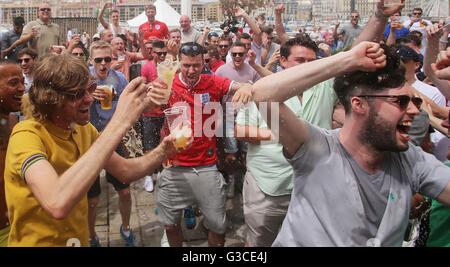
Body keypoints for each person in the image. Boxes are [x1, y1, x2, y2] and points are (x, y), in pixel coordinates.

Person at [248, 39, 450, 246]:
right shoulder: (318, 149)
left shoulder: (411, 160)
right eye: (401, 102)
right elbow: (262, 94)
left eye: (415, 102)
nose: (415, 111)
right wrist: (348, 60)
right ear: (359, 104)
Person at [3, 53, 178, 247]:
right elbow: (57, 202)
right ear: (51, 98)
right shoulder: (26, 135)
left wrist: (164, 150)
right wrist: (121, 120)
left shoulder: (84, 130)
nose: (89, 99)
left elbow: (125, 171)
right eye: (77, 94)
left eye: (90, 89)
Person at [237, 35, 337, 247]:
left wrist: (380, 17)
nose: (307, 67)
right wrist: (283, 134)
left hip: (314, 185)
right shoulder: (260, 90)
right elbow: (238, 129)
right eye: (300, 61)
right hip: (269, 186)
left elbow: (356, 53)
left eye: (312, 61)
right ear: (282, 61)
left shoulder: (326, 87)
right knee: (259, 242)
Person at [154, 42, 252, 247]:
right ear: (180, 63)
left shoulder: (212, 82)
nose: (191, 70)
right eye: (186, 65)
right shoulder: (168, 82)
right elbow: (149, 103)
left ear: (203, 63)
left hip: (206, 167)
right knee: (170, 225)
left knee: (217, 226)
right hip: (174, 165)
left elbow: (237, 86)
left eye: (196, 65)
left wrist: (246, 86)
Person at [0, 63, 25, 246]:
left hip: (18, 226)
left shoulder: (14, 121)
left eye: (23, 82)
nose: (22, 88)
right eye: (14, 83)